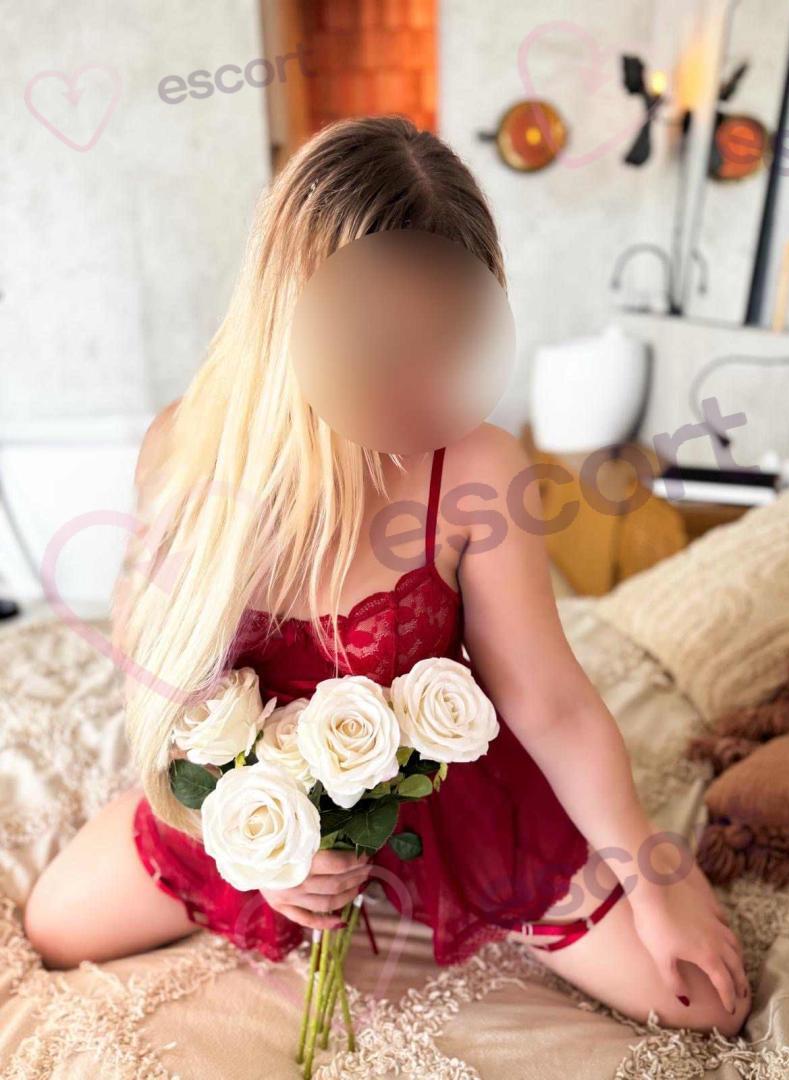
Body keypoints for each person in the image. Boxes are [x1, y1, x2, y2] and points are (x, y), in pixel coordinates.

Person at [24, 117, 749, 1037]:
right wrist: (260, 848)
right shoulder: (189, 447)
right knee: (54, 926)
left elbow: (551, 701)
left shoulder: (477, 468)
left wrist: (652, 872)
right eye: (381, 342)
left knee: (703, 1003)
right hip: (254, 795)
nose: (417, 380)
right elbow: (165, 687)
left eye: (444, 339)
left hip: (447, 794)